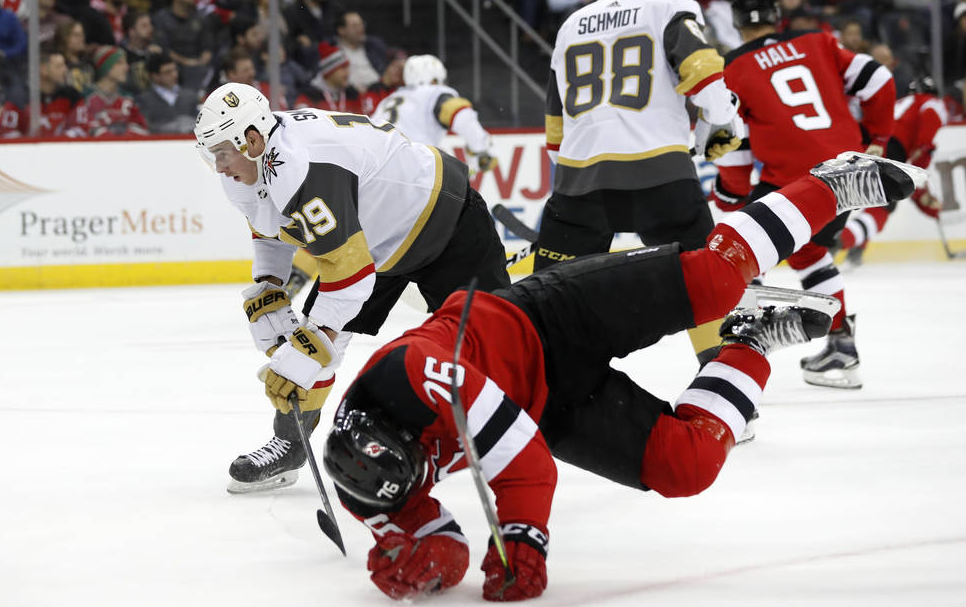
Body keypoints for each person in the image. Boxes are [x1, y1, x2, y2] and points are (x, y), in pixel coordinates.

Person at [321, 152, 927, 602]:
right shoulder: (362, 483)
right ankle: (752, 340)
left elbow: (526, 465)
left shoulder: (419, 376)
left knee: (716, 279)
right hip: (547, 405)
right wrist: (418, 567)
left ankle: (829, 184)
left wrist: (524, 542)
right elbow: (444, 546)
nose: (431, 473)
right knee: (687, 466)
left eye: (424, 464)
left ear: (400, 431)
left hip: (548, 318)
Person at [192, 82, 511, 494]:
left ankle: (517, 433)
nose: (217, 165)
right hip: (371, 241)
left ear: (251, 139)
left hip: (445, 219)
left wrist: (311, 343)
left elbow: (350, 278)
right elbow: (269, 229)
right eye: (210, 152)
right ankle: (291, 443)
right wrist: (268, 285)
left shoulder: (300, 167)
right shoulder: (249, 164)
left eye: (220, 151)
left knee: (495, 342)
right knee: (320, 336)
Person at [535, 0, 744, 367]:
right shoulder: (671, 6)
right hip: (660, 177)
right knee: (702, 280)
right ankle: (719, 385)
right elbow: (705, 75)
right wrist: (722, 117)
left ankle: (545, 395)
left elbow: (555, 132)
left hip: (579, 185)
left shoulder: (572, 23)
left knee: (550, 296)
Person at [716, 0, 896, 389]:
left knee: (740, 248)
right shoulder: (817, 40)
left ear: (737, 19)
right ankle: (840, 344)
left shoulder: (733, 68)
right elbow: (878, 77)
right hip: (846, 173)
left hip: (792, 182)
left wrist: (732, 191)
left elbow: (732, 140)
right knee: (810, 251)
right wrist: (880, 139)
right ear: (777, 15)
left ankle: (746, 347)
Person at [839, 76, 947, 261]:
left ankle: (853, 246)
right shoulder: (933, 103)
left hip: (864, 142)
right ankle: (840, 241)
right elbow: (923, 148)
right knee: (884, 204)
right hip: (891, 147)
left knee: (852, 198)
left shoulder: (901, 103)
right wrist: (924, 196)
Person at [369, 54, 497, 174]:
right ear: (435, 79)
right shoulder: (433, 93)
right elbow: (461, 116)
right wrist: (481, 148)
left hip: (376, 167)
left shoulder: (387, 100)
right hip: (411, 166)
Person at [137, 52, 200, 133]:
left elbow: (201, 122)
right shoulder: (144, 100)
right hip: (160, 143)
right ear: (155, 76)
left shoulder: (191, 96)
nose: (174, 75)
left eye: (175, 70)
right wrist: (170, 128)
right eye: (168, 72)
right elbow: (145, 127)